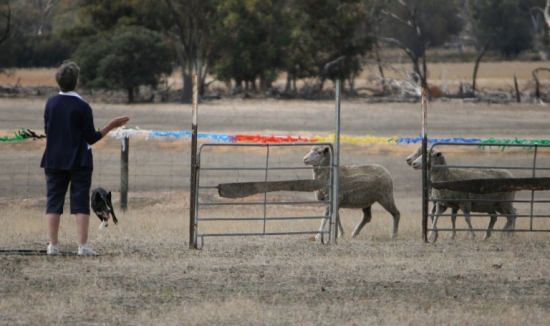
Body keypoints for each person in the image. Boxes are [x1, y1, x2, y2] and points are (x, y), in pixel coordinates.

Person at [41, 61, 130, 256]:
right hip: (79, 160)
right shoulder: (83, 106)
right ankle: (82, 246)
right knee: (80, 201)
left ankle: (53, 246)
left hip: (53, 159)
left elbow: (48, 130)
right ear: (76, 82)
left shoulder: (50, 103)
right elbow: (91, 137)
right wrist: (111, 125)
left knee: (53, 201)